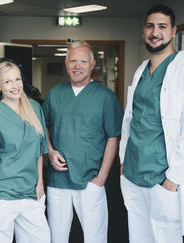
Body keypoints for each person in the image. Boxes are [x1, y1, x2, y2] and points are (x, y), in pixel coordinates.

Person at [119, 4, 184, 243]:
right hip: (134, 173)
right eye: (150, 26)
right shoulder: (140, 71)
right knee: (138, 237)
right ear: (143, 31)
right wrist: (124, 161)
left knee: (165, 238)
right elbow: (131, 121)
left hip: (164, 178)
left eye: (162, 26)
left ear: (173, 31)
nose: (154, 32)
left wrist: (173, 178)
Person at [43, 40, 123, 243]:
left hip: (91, 178)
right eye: (73, 61)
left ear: (93, 64)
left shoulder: (105, 97)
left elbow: (113, 137)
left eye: (83, 61)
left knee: (94, 236)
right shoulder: (55, 94)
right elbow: (44, 127)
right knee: (56, 236)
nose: (77, 66)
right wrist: (50, 151)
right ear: (66, 62)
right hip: (58, 180)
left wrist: (102, 178)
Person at [0, 61, 50, 243]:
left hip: (31, 193)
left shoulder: (35, 109)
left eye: (17, 79)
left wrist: (40, 183)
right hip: (2, 195)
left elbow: (38, 151)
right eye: (8, 81)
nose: (15, 85)